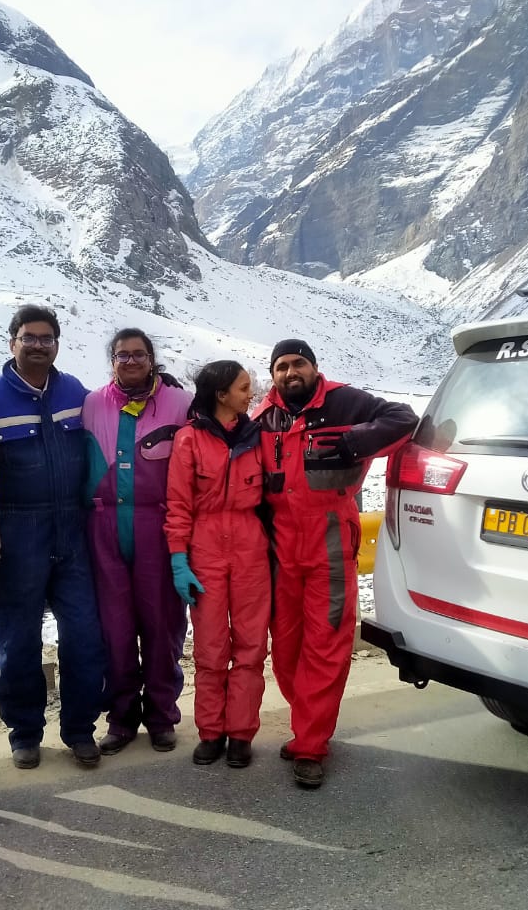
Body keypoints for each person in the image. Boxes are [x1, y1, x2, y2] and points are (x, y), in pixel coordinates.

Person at [254, 339, 417, 789]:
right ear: (273, 374)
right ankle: (309, 722)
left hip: (329, 548)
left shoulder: (346, 401)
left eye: (298, 364)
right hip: (280, 552)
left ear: (314, 367)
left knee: (326, 648)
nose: (291, 372)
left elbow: (404, 420)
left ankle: (310, 744)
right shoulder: (263, 417)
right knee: (285, 651)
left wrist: (353, 441)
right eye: (282, 366)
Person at [0, 305, 106, 770]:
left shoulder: (76, 393)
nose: (38, 345)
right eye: (29, 337)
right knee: (17, 639)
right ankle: (24, 733)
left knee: (86, 635)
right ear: (12, 342)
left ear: (57, 344)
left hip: (73, 529)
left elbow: (118, 414)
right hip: (16, 530)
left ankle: (80, 730)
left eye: (47, 338)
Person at [83, 328, 193, 754]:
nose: (130, 361)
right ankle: (121, 718)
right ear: (111, 361)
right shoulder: (92, 403)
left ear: (152, 359)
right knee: (116, 628)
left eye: (138, 354)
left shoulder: (180, 403)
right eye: (121, 355)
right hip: (105, 524)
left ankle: (162, 716)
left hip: (159, 526)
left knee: (164, 624)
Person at [164, 361, 270, 768]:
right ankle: (211, 730)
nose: (251, 393)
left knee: (250, 644)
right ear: (221, 395)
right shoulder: (189, 439)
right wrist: (179, 558)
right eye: (244, 388)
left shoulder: (257, 436)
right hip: (205, 547)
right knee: (210, 647)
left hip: (249, 547)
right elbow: (178, 504)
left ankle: (241, 733)